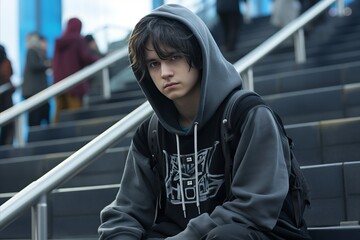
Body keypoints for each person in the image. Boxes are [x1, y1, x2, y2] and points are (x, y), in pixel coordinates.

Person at [98, 4, 311, 240]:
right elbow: (126, 211)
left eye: (173, 57)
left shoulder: (247, 114)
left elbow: (254, 207)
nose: (164, 72)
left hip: (256, 232)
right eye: (154, 64)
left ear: (199, 56)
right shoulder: (150, 133)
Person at [52, 17, 99, 123]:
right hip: (74, 84)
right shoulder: (78, 39)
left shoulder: (59, 42)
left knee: (58, 114)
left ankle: (55, 134)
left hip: (59, 84)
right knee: (75, 114)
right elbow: (86, 57)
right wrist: (98, 59)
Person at [22, 32, 51, 126]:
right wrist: (47, 64)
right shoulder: (32, 51)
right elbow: (34, 66)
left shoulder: (39, 52)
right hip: (33, 91)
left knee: (42, 115)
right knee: (34, 118)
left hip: (37, 90)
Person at [0, 44, 15, 145]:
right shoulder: (6, 62)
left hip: (5, 96)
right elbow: (8, 75)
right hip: (6, 98)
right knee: (9, 125)